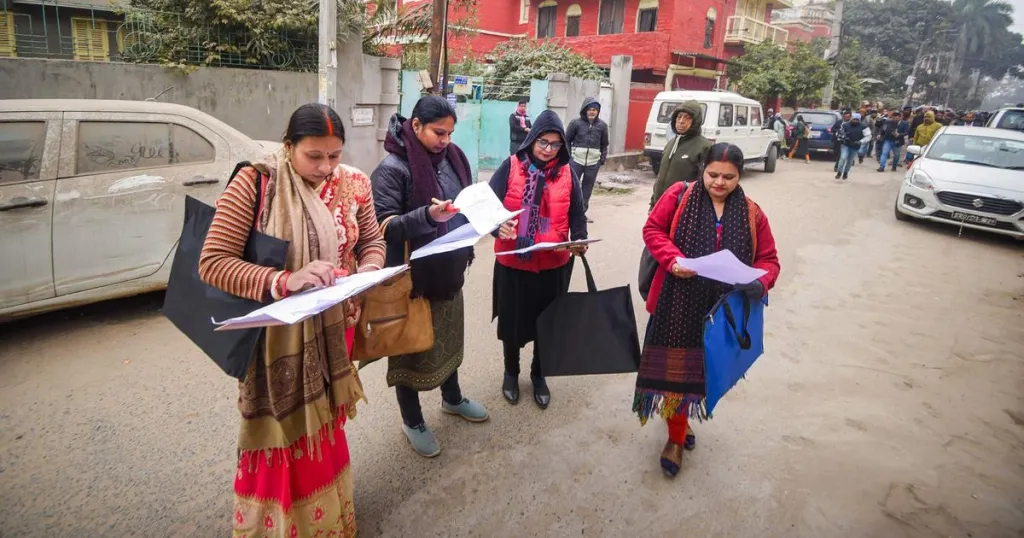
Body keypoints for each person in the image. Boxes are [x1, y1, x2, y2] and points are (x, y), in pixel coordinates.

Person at [199, 103, 386, 537]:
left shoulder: (356, 183)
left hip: (335, 331)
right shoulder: (257, 182)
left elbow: (373, 242)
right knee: (283, 436)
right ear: (288, 146)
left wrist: (369, 272)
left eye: (334, 155)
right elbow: (213, 263)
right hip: (276, 343)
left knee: (326, 426)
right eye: (313, 156)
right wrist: (284, 280)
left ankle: (330, 519)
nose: (325, 167)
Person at [635, 142, 780, 478]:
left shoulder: (752, 213)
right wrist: (673, 259)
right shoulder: (678, 195)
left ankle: (680, 421)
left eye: (729, 177)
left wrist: (760, 282)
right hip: (676, 305)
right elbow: (652, 230)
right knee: (675, 375)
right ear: (703, 170)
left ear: (740, 176)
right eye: (713, 174)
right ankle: (675, 438)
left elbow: (769, 260)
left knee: (701, 374)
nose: (719, 182)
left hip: (720, 314)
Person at [371, 95, 489, 458]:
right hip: (413, 281)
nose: (446, 140)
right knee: (411, 350)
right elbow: (383, 226)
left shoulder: (453, 159)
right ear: (416, 125)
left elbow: (466, 208)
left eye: (450, 133)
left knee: (447, 340)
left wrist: (492, 222)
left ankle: (452, 398)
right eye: (439, 132)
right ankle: (413, 421)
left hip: (448, 272)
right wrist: (427, 216)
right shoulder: (393, 168)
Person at [490, 110, 589, 409]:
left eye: (555, 144)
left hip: (553, 265)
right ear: (532, 140)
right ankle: (511, 372)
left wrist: (580, 239)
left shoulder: (568, 173)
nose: (548, 149)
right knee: (512, 322)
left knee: (548, 323)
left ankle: (539, 374)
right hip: (514, 263)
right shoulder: (511, 166)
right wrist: (496, 226)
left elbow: (577, 213)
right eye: (543, 142)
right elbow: (487, 207)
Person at [651, 101, 713, 209]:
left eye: (687, 118)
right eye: (679, 117)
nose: (681, 121)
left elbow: (704, 185)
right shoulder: (670, 144)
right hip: (660, 207)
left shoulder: (704, 147)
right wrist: (653, 204)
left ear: (696, 121)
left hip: (683, 209)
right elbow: (660, 177)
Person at [565, 97, 610, 221]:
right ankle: (568, 212)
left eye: (594, 110)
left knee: (587, 189)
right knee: (572, 187)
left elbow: (604, 144)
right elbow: (567, 140)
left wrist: (601, 160)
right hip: (576, 161)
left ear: (598, 111)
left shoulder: (602, 126)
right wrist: (569, 157)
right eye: (590, 109)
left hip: (593, 163)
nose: (592, 112)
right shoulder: (575, 123)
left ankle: (581, 214)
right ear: (585, 110)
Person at [837, 113, 868, 180]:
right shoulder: (845, 125)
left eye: (857, 120)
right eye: (854, 119)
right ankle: (839, 172)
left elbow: (868, 136)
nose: (855, 121)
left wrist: (861, 141)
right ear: (851, 118)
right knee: (843, 158)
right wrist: (843, 137)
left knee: (850, 160)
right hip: (846, 145)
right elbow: (839, 132)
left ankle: (846, 172)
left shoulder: (863, 126)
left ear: (859, 120)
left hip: (855, 146)